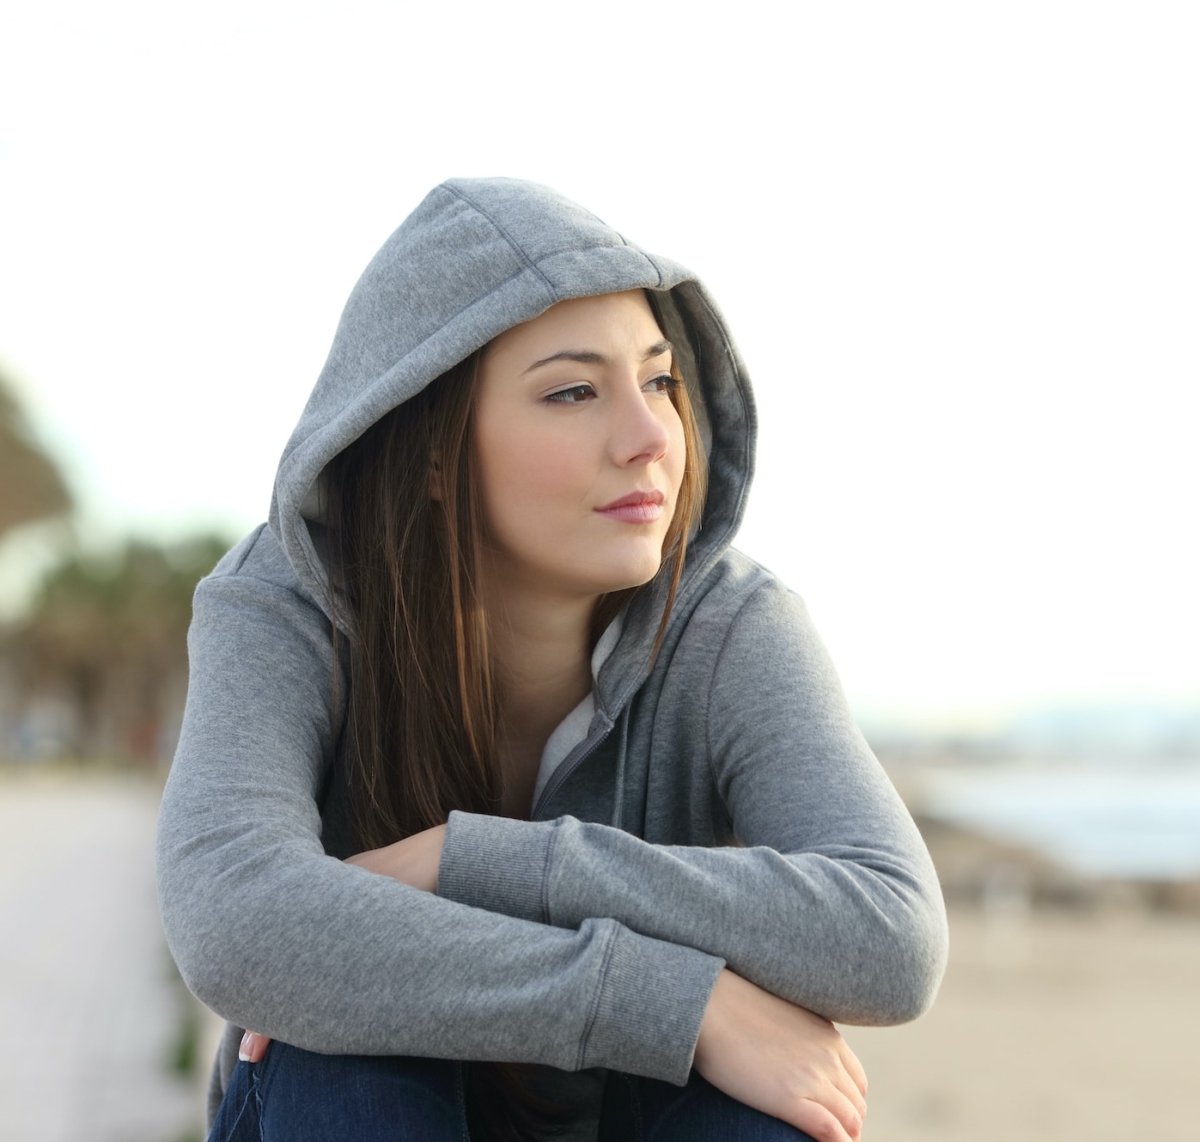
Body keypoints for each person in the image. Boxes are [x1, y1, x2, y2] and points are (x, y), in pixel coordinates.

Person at [156, 177, 949, 1142]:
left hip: (634, 1116)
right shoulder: (288, 603)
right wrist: (677, 1002)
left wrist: (478, 861)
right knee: (340, 1060)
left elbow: (891, 932)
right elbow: (236, 918)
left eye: (658, 379)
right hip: (369, 1111)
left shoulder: (731, 625)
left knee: (767, 1116)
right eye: (573, 392)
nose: (652, 436)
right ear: (435, 448)